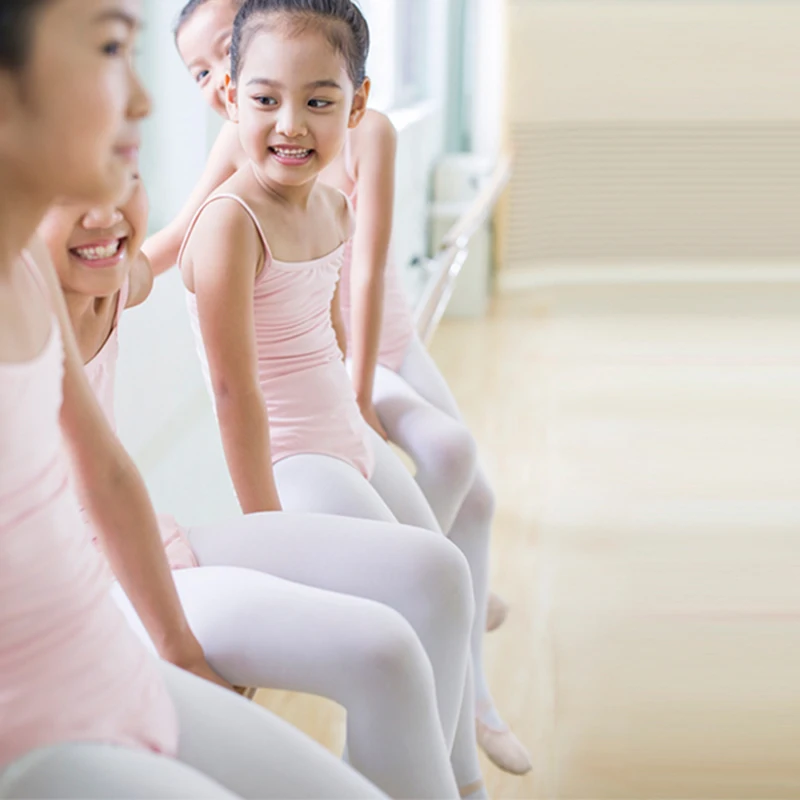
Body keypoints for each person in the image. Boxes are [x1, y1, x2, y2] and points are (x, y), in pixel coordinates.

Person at [0, 1, 386, 796]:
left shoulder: (48, 270)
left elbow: (107, 474)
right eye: (110, 49)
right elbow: (231, 389)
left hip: (105, 656)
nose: (140, 98)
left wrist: (178, 650)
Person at [146, 0, 529, 775]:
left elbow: (333, 328)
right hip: (298, 460)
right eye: (266, 101)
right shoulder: (228, 223)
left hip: (346, 438)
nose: (291, 124)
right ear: (229, 97)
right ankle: (431, 779)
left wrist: (364, 412)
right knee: (418, 600)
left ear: (356, 104)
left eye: (319, 102)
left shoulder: (331, 203)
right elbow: (233, 393)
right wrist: (268, 530)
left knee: (446, 587)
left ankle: (457, 774)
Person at [39, 174, 479, 798]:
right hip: (97, 592)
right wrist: (182, 650)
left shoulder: (113, 281)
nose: (105, 213)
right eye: (70, 188)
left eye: (127, 176)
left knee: (433, 573)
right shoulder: (26, 317)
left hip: (151, 544)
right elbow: (101, 478)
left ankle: (466, 786)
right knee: (382, 652)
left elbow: (172, 235)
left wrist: (236, 107)